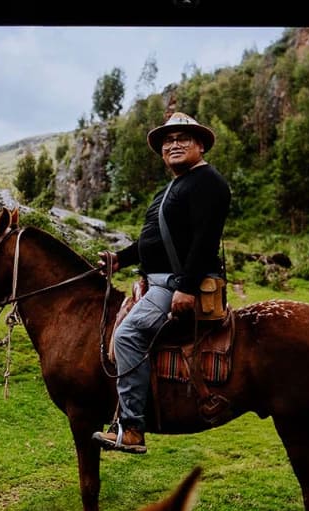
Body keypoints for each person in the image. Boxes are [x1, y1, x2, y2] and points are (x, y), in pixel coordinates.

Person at [93, 112, 231, 454]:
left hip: (176, 284)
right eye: (168, 140)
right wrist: (119, 260)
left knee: (126, 336)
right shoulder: (169, 189)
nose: (174, 144)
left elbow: (204, 241)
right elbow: (151, 242)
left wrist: (186, 286)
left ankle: (133, 428)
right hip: (161, 280)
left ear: (201, 145)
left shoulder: (209, 183)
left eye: (183, 138)